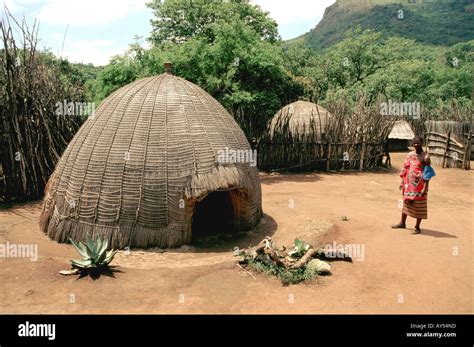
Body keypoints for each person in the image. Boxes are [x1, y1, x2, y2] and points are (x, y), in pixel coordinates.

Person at [392, 135, 432, 234]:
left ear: (422, 143)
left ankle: (417, 227)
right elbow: (405, 168)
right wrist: (402, 182)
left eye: (418, 142)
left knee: (419, 205)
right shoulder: (410, 155)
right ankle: (402, 223)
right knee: (406, 202)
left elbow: (427, 173)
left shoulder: (425, 157)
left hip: (420, 185)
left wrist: (425, 187)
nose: (416, 144)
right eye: (414, 143)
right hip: (408, 184)